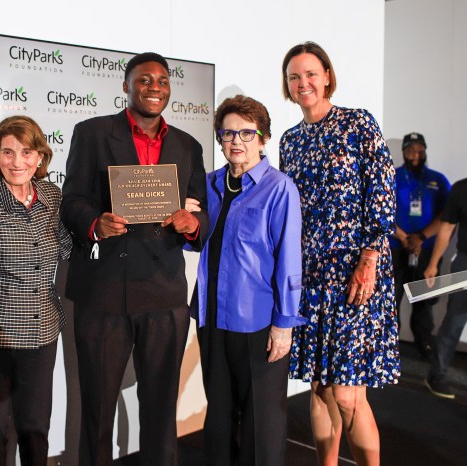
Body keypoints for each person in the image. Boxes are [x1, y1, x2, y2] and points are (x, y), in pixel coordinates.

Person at [61, 52, 208, 465]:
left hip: (163, 295)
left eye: (162, 81)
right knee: (97, 411)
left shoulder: (188, 145)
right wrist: (95, 223)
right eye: (144, 80)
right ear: (126, 86)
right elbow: (71, 199)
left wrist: (191, 222)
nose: (154, 88)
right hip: (104, 293)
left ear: (170, 90)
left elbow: (204, 214)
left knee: (161, 412)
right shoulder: (91, 133)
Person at [279, 42, 400, 466]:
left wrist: (369, 260)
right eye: (295, 76)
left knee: (348, 394)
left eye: (311, 74)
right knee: (319, 386)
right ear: (287, 85)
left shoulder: (357, 123)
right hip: (310, 276)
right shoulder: (290, 141)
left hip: (355, 274)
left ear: (327, 76)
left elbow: (383, 193)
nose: (303, 83)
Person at [188, 95, 307, 465]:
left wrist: (284, 324)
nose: (236, 141)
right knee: (219, 415)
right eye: (228, 133)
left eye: (246, 133)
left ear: (263, 138)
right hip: (211, 318)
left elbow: (289, 261)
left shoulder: (279, 187)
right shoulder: (208, 185)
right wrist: (185, 222)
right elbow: (196, 245)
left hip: (259, 322)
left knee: (262, 421)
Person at [0, 115, 72, 465]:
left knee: (35, 427)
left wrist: (113, 225)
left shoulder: (53, 198)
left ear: (40, 157)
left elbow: (70, 249)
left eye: (26, 152)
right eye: (7, 152)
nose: (17, 162)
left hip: (43, 334)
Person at [391, 132, 450, 358]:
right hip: (396, 249)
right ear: (403, 152)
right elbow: (381, 211)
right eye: (410, 150)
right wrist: (405, 238)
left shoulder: (437, 179)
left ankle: (424, 344)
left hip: (426, 252)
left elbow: (447, 214)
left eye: (419, 150)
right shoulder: (392, 177)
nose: (415, 154)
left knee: (424, 302)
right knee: (391, 299)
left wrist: (421, 238)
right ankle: (389, 346)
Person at [423, 177, 467, 399]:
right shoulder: (462, 188)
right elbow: (446, 228)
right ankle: (436, 375)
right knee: (454, 320)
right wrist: (433, 264)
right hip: (465, 264)